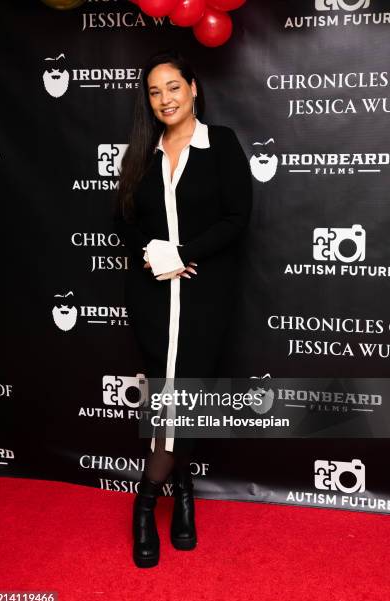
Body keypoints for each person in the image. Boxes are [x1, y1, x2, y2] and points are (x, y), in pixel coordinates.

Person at [115, 49, 253, 568]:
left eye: (173, 86)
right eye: (154, 91)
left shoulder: (221, 144)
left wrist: (184, 253)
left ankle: (146, 502)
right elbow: (124, 218)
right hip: (151, 297)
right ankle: (184, 493)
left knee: (184, 398)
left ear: (193, 88)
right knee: (167, 397)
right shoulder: (143, 153)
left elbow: (238, 216)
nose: (165, 98)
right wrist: (152, 253)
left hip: (201, 298)